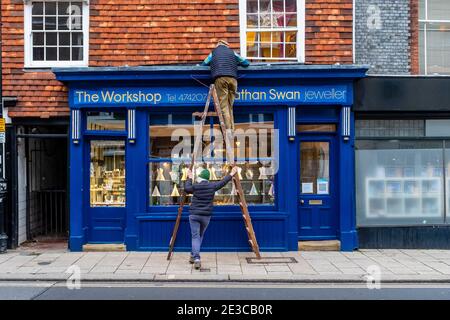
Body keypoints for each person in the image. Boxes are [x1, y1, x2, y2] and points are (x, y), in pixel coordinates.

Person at [184, 166, 238, 269]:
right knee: (199, 236)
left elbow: (187, 189)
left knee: (195, 236)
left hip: (194, 214)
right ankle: (193, 255)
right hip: (206, 216)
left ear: (200, 177)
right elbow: (223, 182)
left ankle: (196, 258)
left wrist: (189, 177)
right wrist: (231, 174)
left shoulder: (196, 186)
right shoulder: (212, 186)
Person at [201, 40, 250, 131]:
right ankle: (232, 128)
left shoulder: (213, 53)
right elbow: (246, 63)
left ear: (217, 45)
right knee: (230, 106)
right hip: (233, 79)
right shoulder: (232, 52)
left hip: (221, 79)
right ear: (226, 45)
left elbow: (204, 64)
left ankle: (228, 130)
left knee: (223, 107)